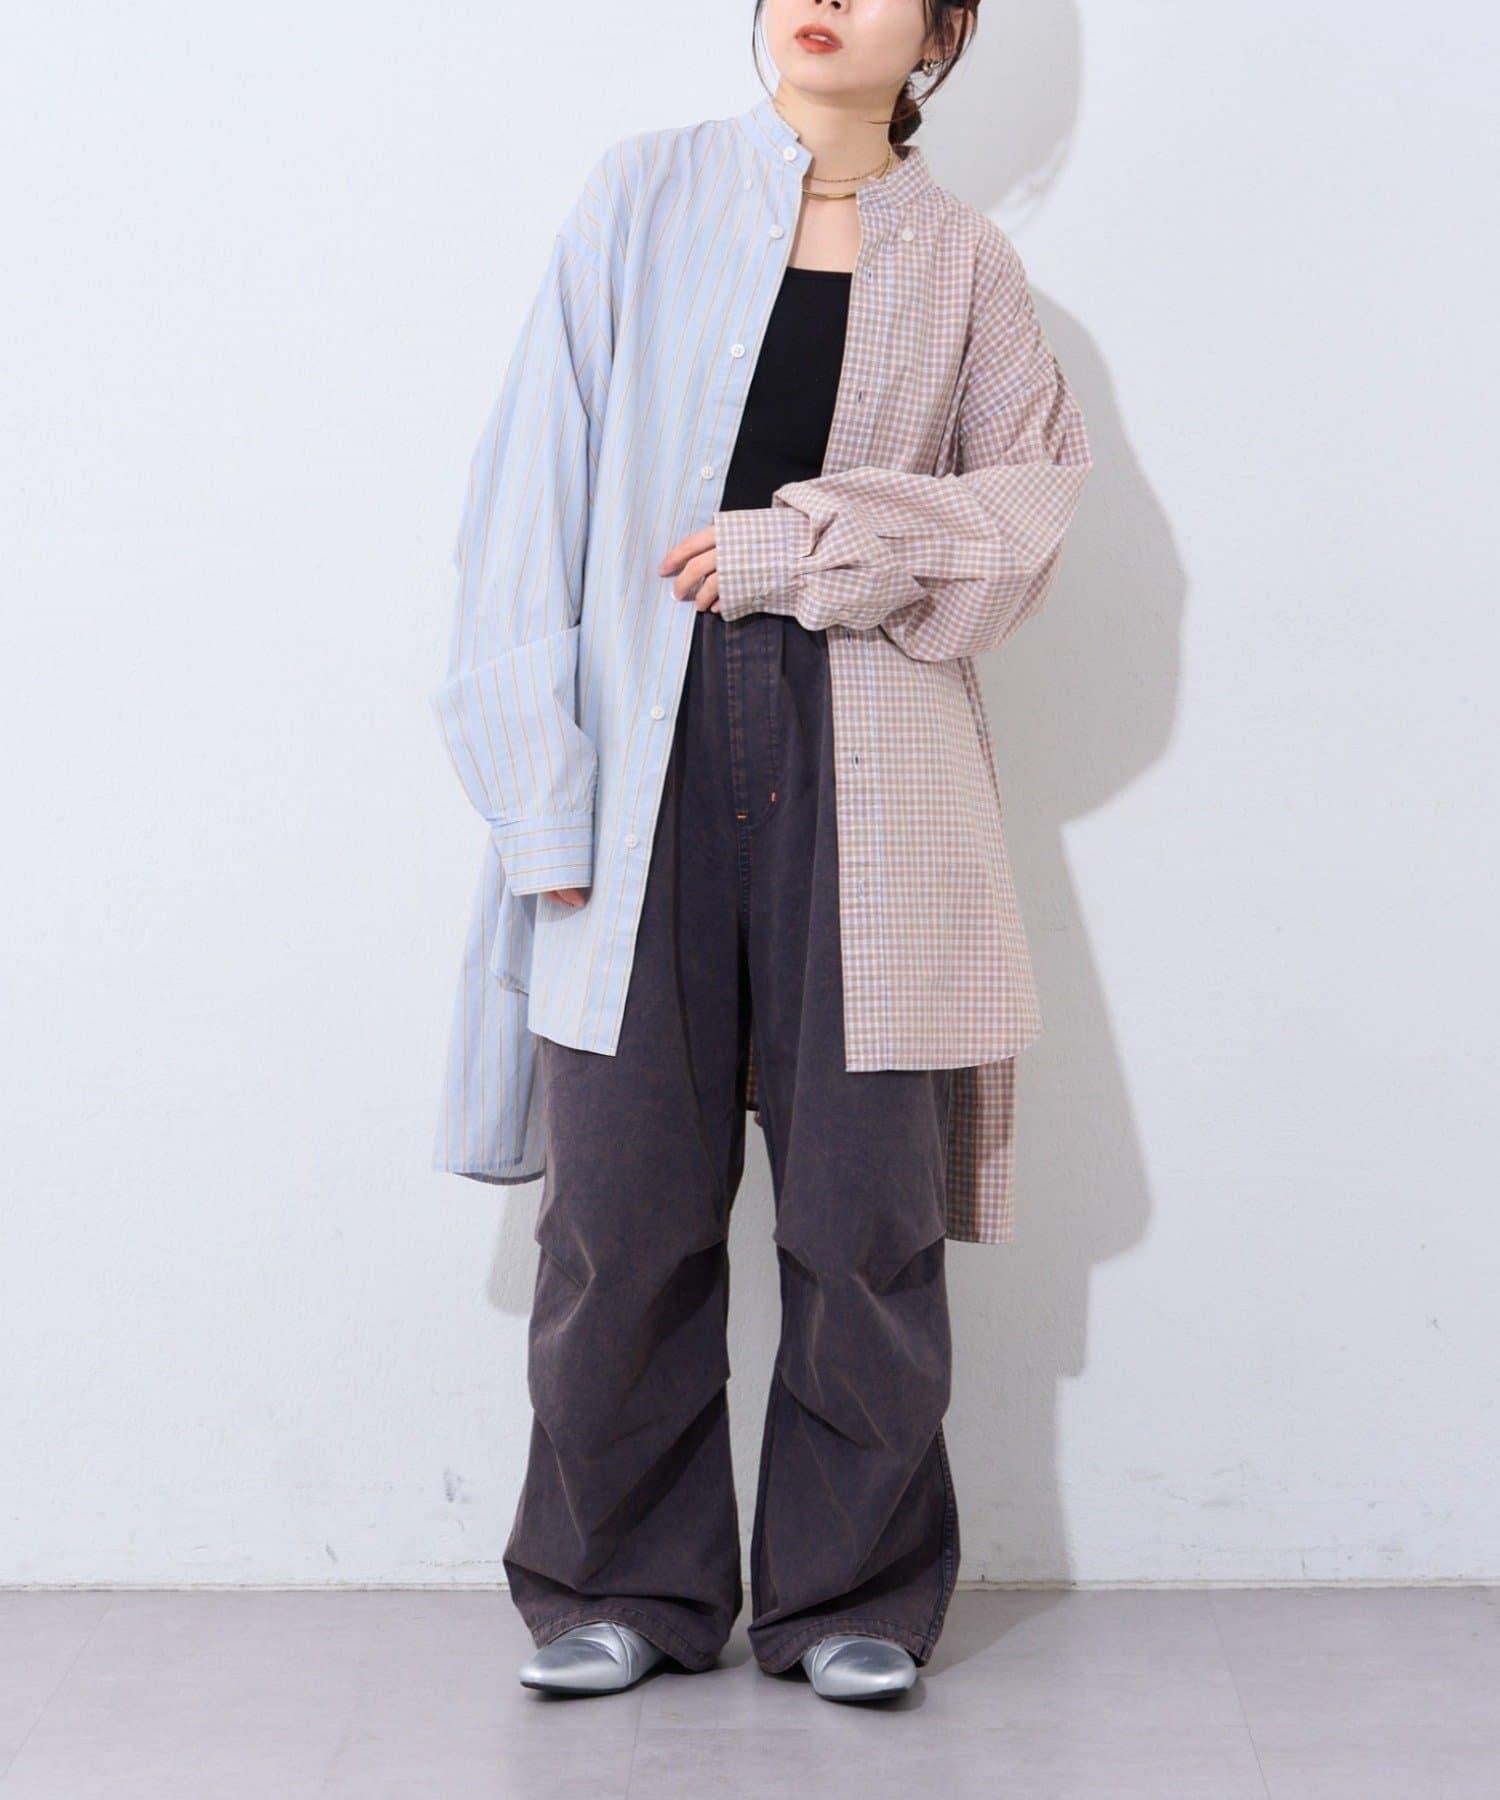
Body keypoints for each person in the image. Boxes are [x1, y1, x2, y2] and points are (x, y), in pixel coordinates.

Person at [429, 0, 1091, 1704]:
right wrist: (538, 793)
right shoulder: (643, 195)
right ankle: (616, 1586)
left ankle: (849, 1594)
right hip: (637, 757)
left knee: (868, 1214)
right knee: (618, 1211)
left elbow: (1027, 521)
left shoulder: (968, 267)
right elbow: (526, 495)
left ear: (940, 33)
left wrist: (803, 547)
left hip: (875, 765)